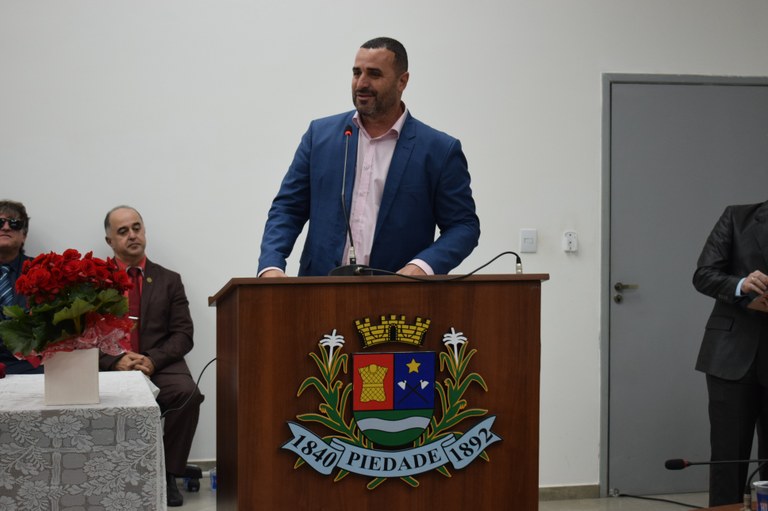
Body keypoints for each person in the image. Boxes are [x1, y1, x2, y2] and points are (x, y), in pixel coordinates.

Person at [258, 37, 480, 277]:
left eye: (374, 74)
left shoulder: (439, 150)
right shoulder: (320, 136)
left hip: (397, 291)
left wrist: (423, 266)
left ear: (402, 81)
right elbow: (288, 208)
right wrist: (271, 265)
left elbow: (463, 226)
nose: (361, 83)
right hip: (320, 289)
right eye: (357, 73)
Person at [100, 205, 203, 507]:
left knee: (187, 394)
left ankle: (167, 474)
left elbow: (183, 334)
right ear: (109, 241)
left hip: (159, 364)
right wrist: (114, 359)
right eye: (123, 231)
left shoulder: (169, 279)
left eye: (136, 228)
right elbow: (80, 336)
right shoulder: (93, 280)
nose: (132, 235)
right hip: (110, 364)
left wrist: (152, 359)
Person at [693, 200, 768, 506]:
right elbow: (704, 274)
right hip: (731, 357)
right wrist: (741, 286)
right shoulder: (737, 217)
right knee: (728, 457)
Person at [0, 199, 43, 374]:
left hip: (32, 365)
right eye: (0, 222)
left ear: (24, 236)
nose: (6, 228)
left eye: (14, 223)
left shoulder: (41, 271)